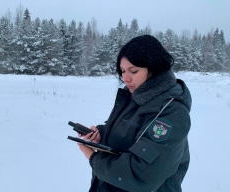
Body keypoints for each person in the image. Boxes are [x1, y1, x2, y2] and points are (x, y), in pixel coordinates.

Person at [78, 35, 192, 192]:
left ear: (154, 68)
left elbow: (141, 175)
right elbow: (130, 133)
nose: (125, 78)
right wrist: (100, 134)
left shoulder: (172, 111)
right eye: (123, 71)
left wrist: (94, 158)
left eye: (133, 71)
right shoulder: (136, 96)